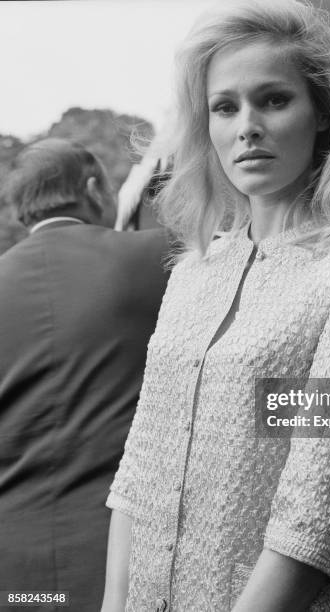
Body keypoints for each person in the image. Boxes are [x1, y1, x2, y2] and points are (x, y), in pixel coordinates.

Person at [101, 2, 330, 611]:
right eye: (225, 107)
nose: (246, 126)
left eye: (274, 100)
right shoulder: (195, 267)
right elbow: (140, 469)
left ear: (325, 117)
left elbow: (325, 495)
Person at [0, 139, 169, 612]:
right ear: (94, 189)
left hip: (14, 578)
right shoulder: (156, 258)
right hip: (122, 565)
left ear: (22, 210)